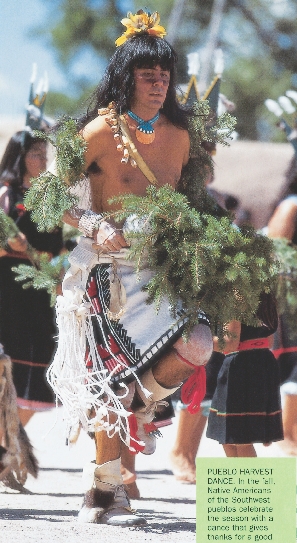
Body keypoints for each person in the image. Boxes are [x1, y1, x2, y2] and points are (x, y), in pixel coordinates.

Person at [41, 11, 213, 526]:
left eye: (164, 76)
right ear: (126, 77)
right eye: (148, 76)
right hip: (105, 273)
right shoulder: (97, 130)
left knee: (198, 344)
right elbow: (53, 199)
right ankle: (105, 490)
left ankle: (142, 401)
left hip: (159, 271)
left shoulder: (180, 136)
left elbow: (188, 205)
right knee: (109, 384)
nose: (159, 85)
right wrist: (93, 224)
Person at [0, 130, 63, 427]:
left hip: (38, 294)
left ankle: (9, 437)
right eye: (36, 153)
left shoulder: (50, 200)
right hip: (5, 291)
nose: (43, 159)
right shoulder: (5, 195)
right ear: (20, 158)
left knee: (37, 361)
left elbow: (57, 249)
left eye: (44, 153)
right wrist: (6, 246)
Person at [206, 292, 283, 456]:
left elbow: (230, 343)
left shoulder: (236, 292)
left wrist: (191, 341)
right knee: (229, 439)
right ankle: (240, 481)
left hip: (241, 368)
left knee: (239, 439)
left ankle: (250, 482)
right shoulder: (265, 290)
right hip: (262, 362)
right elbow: (269, 340)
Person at [267, 155, 297, 455]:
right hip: (291, 301)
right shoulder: (292, 206)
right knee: (293, 370)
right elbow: (273, 258)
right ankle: (287, 436)